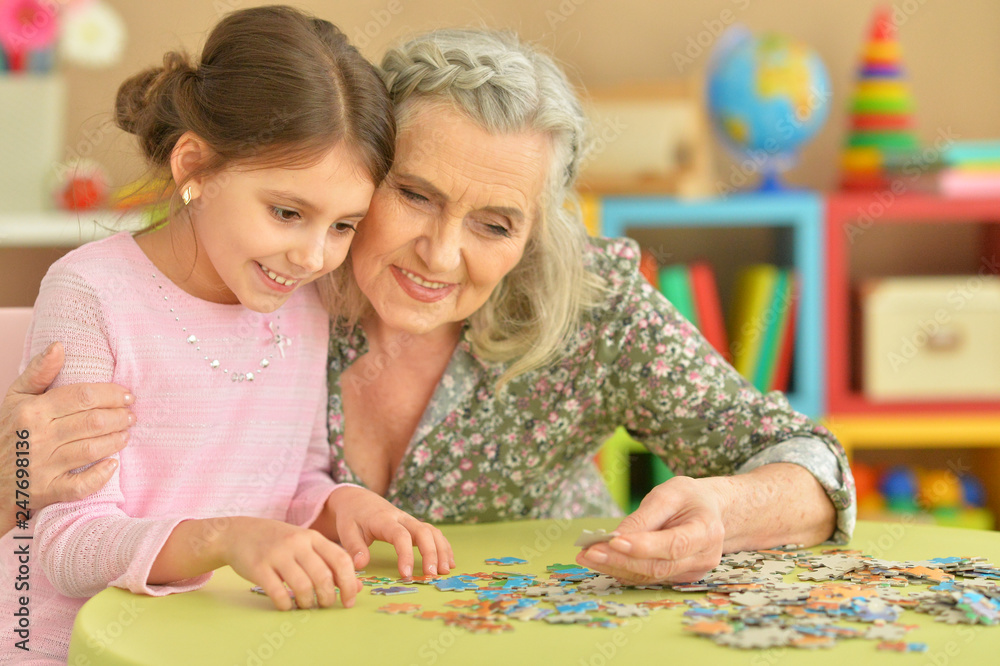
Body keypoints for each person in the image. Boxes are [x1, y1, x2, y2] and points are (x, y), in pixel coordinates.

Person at [3, 27, 853, 593]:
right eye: (413, 194)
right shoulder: (277, 282)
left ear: (537, 229)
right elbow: (74, 512)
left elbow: (811, 464)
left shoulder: (595, 306)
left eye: (495, 223)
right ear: (362, 167)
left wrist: (723, 511)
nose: (441, 255)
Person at [0, 7, 451, 662]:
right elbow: (69, 545)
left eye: (344, 225)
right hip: (75, 650)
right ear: (195, 169)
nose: (313, 255)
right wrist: (227, 538)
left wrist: (341, 505)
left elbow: (293, 480)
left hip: (222, 641)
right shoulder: (93, 294)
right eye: (287, 212)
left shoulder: (307, 302)